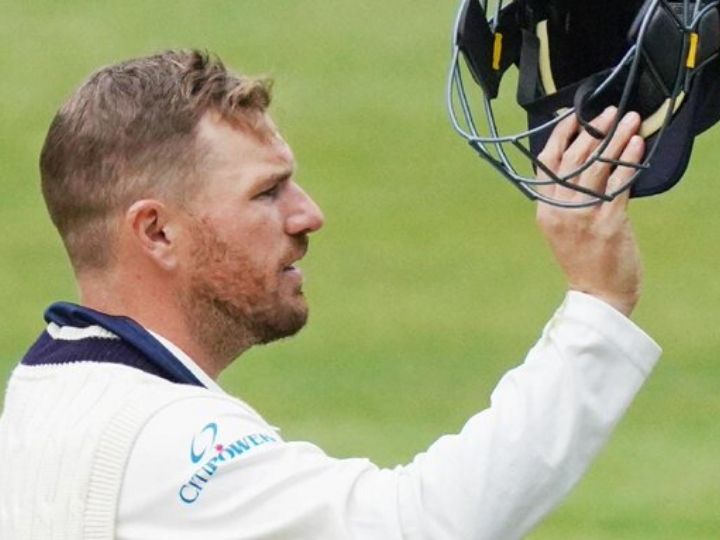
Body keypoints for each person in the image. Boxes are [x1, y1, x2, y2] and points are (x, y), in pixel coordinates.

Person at [0, 50, 660, 540]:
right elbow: (420, 526)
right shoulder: (159, 443)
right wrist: (595, 308)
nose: (308, 214)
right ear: (158, 231)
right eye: (266, 192)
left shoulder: (48, 388)